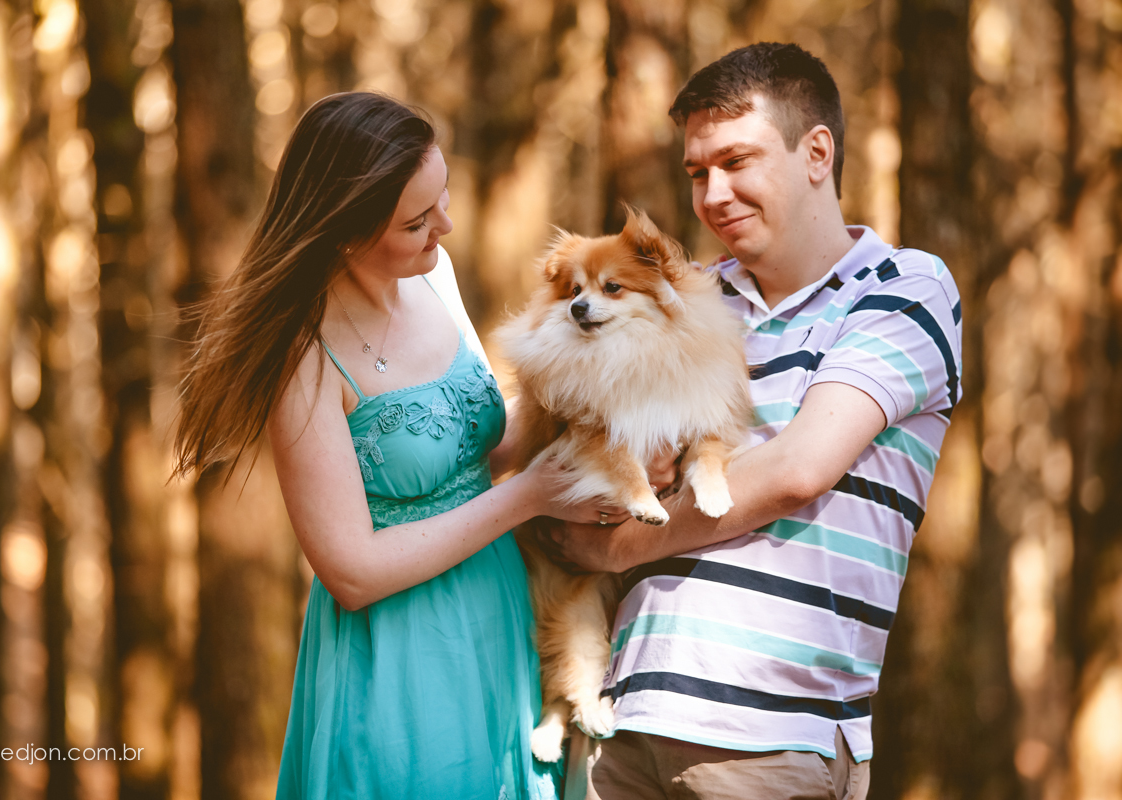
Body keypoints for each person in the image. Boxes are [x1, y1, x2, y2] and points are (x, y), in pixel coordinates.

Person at [172, 92, 627, 800]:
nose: (444, 226)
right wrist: (528, 498)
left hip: (501, 613)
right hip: (402, 649)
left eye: (441, 199)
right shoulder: (303, 355)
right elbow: (351, 571)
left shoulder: (433, 275)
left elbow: (472, 438)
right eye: (416, 222)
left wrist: (595, 400)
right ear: (344, 233)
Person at [551, 43, 963, 799]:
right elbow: (574, 428)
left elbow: (796, 471)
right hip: (622, 722)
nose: (714, 195)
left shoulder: (902, 287)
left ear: (817, 153)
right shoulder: (685, 296)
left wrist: (609, 550)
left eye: (737, 162)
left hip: (769, 738)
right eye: (697, 173)